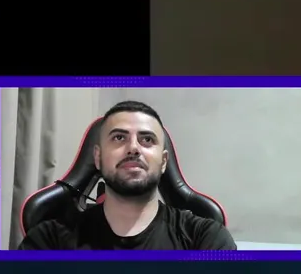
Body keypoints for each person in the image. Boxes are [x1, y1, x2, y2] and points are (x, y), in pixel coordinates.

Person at [19, 101, 237, 251]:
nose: (133, 148)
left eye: (147, 139)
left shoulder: (205, 238)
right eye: (119, 138)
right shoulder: (50, 240)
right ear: (98, 158)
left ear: (163, 161)